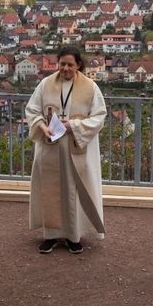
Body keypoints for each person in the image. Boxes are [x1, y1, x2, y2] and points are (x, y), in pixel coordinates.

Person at [24, 45, 107, 254]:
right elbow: (32, 110)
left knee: (74, 193)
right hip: (50, 148)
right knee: (50, 190)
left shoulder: (91, 87)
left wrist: (75, 126)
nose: (66, 68)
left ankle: (73, 236)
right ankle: (50, 235)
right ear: (57, 64)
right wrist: (42, 126)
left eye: (70, 64)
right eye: (62, 64)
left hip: (75, 149)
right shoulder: (45, 84)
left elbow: (99, 116)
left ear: (78, 64)